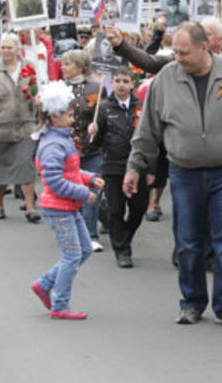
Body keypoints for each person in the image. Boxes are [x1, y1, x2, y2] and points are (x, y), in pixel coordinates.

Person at [124, 22, 222, 329]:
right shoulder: (165, 79)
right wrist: (135, 166)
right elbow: (147, 129)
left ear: (205, 47)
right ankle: (191, 302)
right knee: (188, 241)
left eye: (184, 52)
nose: (178, 57)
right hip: (184, 172)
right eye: (175, 51)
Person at [31, 80, 105, 321]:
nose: (73, 119)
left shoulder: (62, 139)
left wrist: (89, 178)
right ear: (53, 116)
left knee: (83, 250)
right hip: (58, 208)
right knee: (72, 255)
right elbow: (54, 182)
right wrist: (84, 192)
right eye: (69, 115)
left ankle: (45, 284)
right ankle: (59, 304)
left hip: (67, 207)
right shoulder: (53, 144)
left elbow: (70, 173)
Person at [0, 33, 41, 222]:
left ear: (17, 48)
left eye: (9, 47)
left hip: (24, 126)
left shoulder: (29, 65)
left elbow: (37, 88)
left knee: (26, 166)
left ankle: (30, 208)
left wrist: (37, 98)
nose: (5, 51)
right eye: (2, 47)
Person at [89, 66, 145, 268]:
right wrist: (93, 132)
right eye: (118, 81)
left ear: (132, 84)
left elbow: (151, 138)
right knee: (116, 210)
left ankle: (125, 236)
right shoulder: (103, 108)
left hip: (138, 165)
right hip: (113, 164)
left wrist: (151, 169)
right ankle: (121, 249)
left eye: (126, 81)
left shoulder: (141, 107)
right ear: (111, 83)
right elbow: (95, 144)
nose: (121, 85)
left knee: (139, 208)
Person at [60, 49, 104, 250]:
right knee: (71, 192)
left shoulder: (96, 86)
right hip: (68, 150)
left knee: (93, 192)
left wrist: (99, 125)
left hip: (92, 149)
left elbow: (104, 113)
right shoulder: (59, 89)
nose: (63, 67)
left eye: (67, 63)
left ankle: (91, 234)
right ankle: (73, 231)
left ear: (80, 65)